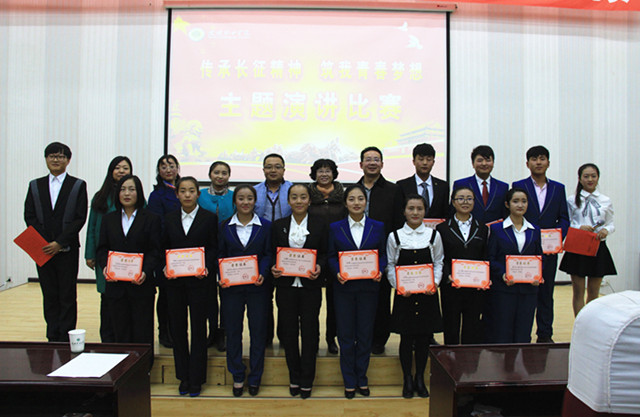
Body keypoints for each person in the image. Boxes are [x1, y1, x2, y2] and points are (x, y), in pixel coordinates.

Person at [24, 142, 88, 342]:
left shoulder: (78, 185)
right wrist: (46, 243)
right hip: (42, 249)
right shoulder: (35, 185)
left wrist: (59, 242)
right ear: (46, 159)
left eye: (60, 156)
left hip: (67, 249)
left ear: (68, 160)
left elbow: (80, 217)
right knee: (49, 293)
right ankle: (52, 335)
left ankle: (66, 336)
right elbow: (29, 216)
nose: (56, 160)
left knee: (67, 294)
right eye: (52, 156)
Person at [328, 184, 387, 399]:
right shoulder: (335, 227)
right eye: (351, 199)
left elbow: (382, 255)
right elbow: (331, 255)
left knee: (364, 335)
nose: (356, 203)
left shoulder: (377, 226)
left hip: (369, 288)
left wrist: (379, 269)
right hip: (344, 288)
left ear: (366, 202)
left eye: (360, 199)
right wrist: (337, 272)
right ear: (345, 203)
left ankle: (362, 377)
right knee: (345, 335)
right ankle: (349, 380)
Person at [163, 176, 218, 397]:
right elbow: (162, 247)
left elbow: (213, 248)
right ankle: (183, 376)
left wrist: (205, 266)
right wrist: (165, 267)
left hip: (199, 282)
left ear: (198, 194)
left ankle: (196, 378)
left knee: (198, 329)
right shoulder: (168, 218)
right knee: (178, 330)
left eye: (191, 191)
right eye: (183, 191)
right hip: (175, 283)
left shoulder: (209, 218)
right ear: (177, 194)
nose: (187, 195)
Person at [271, 184, 326, 399]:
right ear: (288, 201)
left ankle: (307, 379)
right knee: (289, 333)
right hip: (286, 287)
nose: (299, 201)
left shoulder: (320, 224)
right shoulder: (278, 225)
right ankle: (294, 376)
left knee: (310, 333)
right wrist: (273, 268)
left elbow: (325, 253)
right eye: (294, 197)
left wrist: (320, 266)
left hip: (310, 287)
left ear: (309, 200)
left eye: (303, 197)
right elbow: (272, 253)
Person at [387, 194, 444, 399]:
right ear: (404, 211)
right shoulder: (394, 236)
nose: (415, 212)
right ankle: (407, 379)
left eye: (419, 208)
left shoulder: (433, 236)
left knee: (423, 337)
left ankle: (420, 377)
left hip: (427, 294)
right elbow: (390, 265)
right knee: (406, 337)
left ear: (425, 211)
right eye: (411, 208)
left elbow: (439, 262)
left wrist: (434, 283)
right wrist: (399, 286)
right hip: (405, 295)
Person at [218, 185, 272, 397]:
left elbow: (268, 254)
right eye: (241, 198)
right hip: (231, 289)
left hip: (258, 287)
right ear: (235, 201)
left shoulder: (265, 226)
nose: (245, 202)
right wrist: (221, 275)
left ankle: (256, 377)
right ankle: (237, 375)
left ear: (255, 201)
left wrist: (263, 272)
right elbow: (220, 255)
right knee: (233, 332)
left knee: (258, 333)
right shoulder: (224, 226)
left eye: (250, 198)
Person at [96, 175, 161, 352]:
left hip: (141, 285)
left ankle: (143, 366)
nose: (127, 193)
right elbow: (102, 249)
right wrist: (105, 267)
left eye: (131, 189)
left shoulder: (152, 219)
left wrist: (145, 271)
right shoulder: (108, 219)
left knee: (142, 332)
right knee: (119, 331)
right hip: (116, 286)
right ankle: (123, 367)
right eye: (123, 189)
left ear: (139, 193)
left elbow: (155, 251)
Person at [512, 146, 569, 343]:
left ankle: (545, 335)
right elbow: (515, 215)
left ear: (548, 163)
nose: (538, 162)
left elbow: (564, 218)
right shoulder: (519, 186)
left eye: (542, 158)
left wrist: (556, 238)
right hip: (526, 249)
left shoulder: (558, 188)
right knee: (525, 294)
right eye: (534, 159)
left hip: (549, 251)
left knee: (546, 294)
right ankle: (522, 334)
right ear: (527, 163)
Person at [85, 156, 132, 343]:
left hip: (129, 259)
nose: (121, 171)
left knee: (126, 299)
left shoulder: (136, 196)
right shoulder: (101, 197)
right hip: (105, 256)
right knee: (107, 298)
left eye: (125, 168)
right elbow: (91, 227)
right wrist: (90, 254)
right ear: (111, 171)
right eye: (117, 168)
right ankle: (108, 339)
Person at [559, 163, 616, 316]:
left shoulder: (605, 200)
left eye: (593, 176)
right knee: (578, 292)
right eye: (586, 176)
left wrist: (606, 230)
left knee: (593, 293)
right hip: (578, 247)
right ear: (579, 179)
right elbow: (567, 222)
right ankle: (579, 324)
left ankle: (591, 323)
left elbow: (611, 223)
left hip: (597, 247)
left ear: (598, 178)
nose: (590, 179)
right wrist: (579, 227)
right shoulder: (572, 200)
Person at [487, 188, 543, 344]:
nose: (520, 205)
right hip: (504, 289)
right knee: (503, 331)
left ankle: (521, 359)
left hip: (528, 290)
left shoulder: (535, 230)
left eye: (524, 201)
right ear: (507, 204)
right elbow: (490, 258)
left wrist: (538, 275)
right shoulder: (497, 229)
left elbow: (540, 258)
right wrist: (503, 274)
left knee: (524, 331)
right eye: (515, 201)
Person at [356, 146, 397, 355]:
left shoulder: (393, 190)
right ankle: (360, 336)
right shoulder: (353, 190)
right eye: (368, 159)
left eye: (376, 159)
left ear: (382, 164)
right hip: (355, 254)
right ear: (361, 164)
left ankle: (379, 339)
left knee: (381, 298)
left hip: (382, 252)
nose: (372, 162)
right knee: (358, 298)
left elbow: (398, 222)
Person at [436, 187, 489, 345]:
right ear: (453, 202)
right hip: (451, 286)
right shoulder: (442, 228)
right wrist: (447, 276)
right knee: (451, 324)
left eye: (469, 198)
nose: (465, 202)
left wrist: (485, 278)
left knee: (472, 326)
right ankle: (450, 356)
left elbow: (485, 256)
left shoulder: (483, 228)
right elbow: (440, 257)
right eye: (460, 198)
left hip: (475, 287)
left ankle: (469, 359)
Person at [308, 158, 346, 355]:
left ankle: (332, 338)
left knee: (334, 303)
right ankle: (312, 340)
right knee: (312, 303)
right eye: (320, 171)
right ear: (314, 174)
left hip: (336, 255)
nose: (324, 174)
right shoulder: (307, 196)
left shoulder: (343, 196)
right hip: (312, 256)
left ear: (334, 173)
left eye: (328, 170)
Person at [254, 153, 292, 346]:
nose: (273, 170)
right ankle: (266, 337)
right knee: (263, 295)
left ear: (284, 169)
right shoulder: (254, 191)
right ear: (263, 170)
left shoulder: (294, 190)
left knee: (285, 297)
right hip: (262, 247)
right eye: (269, 166)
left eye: (277, 166)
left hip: (288, 248)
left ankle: (285, 337)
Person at [198, 161, 234, 351]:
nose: (220, 176)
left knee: (227, 293)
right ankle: (211, 330)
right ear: (210, 174)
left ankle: (224, 332)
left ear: (229, 176)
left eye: (224, 173)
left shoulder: (235, 196)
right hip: (205, 251)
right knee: (208, 295)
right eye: (216, 172)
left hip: (229, 251)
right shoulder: (200, 195)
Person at [148, 154, 181, 348]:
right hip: (165, 251)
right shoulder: (157, 195)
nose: (168, 169)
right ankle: (164, 331)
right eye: (163, 166)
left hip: (187, 254)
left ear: (178, 168)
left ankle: (178, 330)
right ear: (159, 171)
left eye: (171, 165)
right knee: (166, 294)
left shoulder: (184, 189)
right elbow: (156, 226)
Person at [395, 143, 450, 227]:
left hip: (436, 232)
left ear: (433, 162)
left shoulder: (443, 186)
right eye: (421, 159)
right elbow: (399, 213)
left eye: (429, 159)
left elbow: (445, 213)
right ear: (414, 161)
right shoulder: (402, 185)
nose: (425, 163)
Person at [452, 145, 508, 224]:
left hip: (495, 230)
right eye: (480, 160)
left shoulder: (503, 187)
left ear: (493, 163)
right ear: (473, 163)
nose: (484, 164)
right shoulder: (461, 184)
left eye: (488, 160)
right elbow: (453, 211)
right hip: (469, 229)